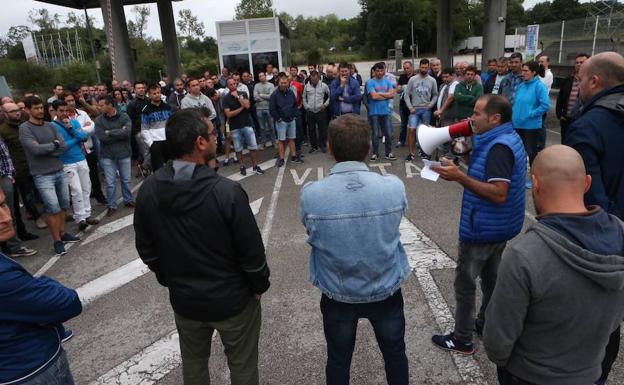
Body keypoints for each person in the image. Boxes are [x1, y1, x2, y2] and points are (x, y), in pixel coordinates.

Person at [134, 109, 270, 385]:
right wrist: (258, 286)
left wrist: (170, 278)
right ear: (199, 143)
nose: (217, 138)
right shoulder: (226, 192)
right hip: (233, 301)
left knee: (194, 367)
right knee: (243, 367)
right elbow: (251, 252)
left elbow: (146, 248)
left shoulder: (149, 189)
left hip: (186, 301)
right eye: (212, 134)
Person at [484, 145, 624, 385]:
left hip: (529, 375)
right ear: (587, 183)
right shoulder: (620, 233)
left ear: (535, 184)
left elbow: (498, 341)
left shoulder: (523, 254)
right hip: (590, 371)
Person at [300, 113, 410, 385]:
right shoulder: (393, 187)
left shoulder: (312, 194)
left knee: (338, 357)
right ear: (369, 147)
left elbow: (310, 231)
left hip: (338, 293)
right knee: (395, 354)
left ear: (329, 148)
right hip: (385, 289)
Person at [430, 95, 527, 354]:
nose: (471, 118)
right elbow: (490, 172)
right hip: (500, 226)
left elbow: (498, 192)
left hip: (482, 227)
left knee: (465, 285)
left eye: (476, 113)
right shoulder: (507, 138)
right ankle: (485, 324)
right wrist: (465, 159)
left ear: (494, 118)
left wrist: (460, 177)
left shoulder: (498, 146)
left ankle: (462, 338)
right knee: (491, 280)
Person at [563, 52, 624, 384]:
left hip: (603, 247)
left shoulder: (588, 125)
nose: (579, 85)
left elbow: (587, 200)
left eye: (581, 80)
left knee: (592, 326)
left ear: (595, 81)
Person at [0, 184, 82, 385]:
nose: (7, 217)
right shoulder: (4, 277)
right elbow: (67, 302)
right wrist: (37, 282)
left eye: (3, 205)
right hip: (31, 369)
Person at [19, 96, 80, 256]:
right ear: (27, 110)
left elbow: (63, 147)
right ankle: (57, 241)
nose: (40, 111)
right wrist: (53, 145)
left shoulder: (50, 126)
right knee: (52, 208)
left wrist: (50, 147)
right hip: (42, 174)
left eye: (41, 107)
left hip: (59, 170)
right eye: (36, 108)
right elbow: (35, 150)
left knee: (63, 205)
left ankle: (62, 233)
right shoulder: (25, 128)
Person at [0, 102, 47, 234]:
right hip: (19, 169)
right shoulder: (3, 130)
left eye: (17, 110)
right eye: (12, 111)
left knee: (44, 190)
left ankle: (53, 212)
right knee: (28, 195)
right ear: (5, 114)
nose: (17, 113)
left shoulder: (26, 124)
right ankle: (37, 217)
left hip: (35, 163)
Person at [52, 100, 99, 231]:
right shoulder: (53, 126)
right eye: (61, 111)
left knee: (86, 187)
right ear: (55, 111)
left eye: (66, 110)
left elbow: (84, 137)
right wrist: (76, 137)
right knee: (76, 190)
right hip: (67, 163)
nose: (64, 113)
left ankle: (87, 214)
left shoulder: (73, 122)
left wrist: (72, 129)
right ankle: (80, 218)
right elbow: (63, 146)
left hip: (81, 158)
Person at [62, 92, 107, 205]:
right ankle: (81, 204)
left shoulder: (82, 113)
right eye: (68, 101)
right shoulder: (60, 118)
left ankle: (99, 195)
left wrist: (75, 130)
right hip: (74, 154)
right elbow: (65, 135)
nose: (71, 103)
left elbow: (92, 128)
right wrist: (82, 130)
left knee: (93, 175)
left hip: (88, 150)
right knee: (78, 182)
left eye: (72, 100)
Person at [512, 61, 550, 188]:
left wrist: (530, 114)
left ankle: (534, 179)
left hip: (531, 126)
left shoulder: (539, 86)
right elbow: (516, 103)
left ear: (534, 72)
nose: (523, 73)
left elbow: (545, 105)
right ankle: (519, 177)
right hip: (517, 124)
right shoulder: (522, 86)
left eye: (526, 71)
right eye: (522, 70)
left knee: (531, 153)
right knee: (519, 152)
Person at [96, 96, 135, 217]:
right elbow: (102, 137)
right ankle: (111, 205)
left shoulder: (124, 116)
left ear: (110, 105)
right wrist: (119, 131)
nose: (99, 107)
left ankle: (128, 200)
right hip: (107, 155)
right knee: (110, 182)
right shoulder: (99, 120)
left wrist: (110, 132)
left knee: (126, 179)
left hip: (124, 152)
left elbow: (127, 133)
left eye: (101, 105)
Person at [0, 136, 37, 258]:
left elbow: (5, 156)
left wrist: (9, 175)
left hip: (3, 178)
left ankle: (14, 247)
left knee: (9, 214)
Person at [222, 78, 265, 176]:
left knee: (253, 147)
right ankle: (242, 166)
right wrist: (241, 108)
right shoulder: (225, 98)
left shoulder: (243, 94)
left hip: (247, 124)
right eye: (230, 84)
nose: (233, 85)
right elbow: (228, 114)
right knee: (238, 149)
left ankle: (255, 166)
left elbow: (248, 106)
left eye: (234, 83)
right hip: (235, 127)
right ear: (228, 86)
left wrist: (237, 97)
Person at [404, 59, 438, 161]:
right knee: (412, 130)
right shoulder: (413, 79)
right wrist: (410, 107)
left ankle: (425, 152)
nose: (423, 69)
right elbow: (406, 95)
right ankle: (411, 153)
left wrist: (430, 105)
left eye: (425, 67)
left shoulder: (432, 80)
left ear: (428, 67)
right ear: (419, 67)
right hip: (415, 109)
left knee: (424, 132)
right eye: (422, 67)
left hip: (426, 109)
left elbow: (435, 94)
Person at [556, 53, 590, 143]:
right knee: (565, 142)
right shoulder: (568, 79)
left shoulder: (591, 81)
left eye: (582, 62)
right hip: (566, 119)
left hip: (582, 120)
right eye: (577, 62)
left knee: (579, 143)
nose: (578, 64)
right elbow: (560, 98)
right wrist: (560, 114)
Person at [367, 62, 397, 162]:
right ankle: (375, 153)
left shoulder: (388, 82)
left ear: (384, 71)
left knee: (388, 133)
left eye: (381, 70)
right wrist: (386, 94)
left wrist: (379, 93)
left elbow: (392, 95)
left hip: (386, 111)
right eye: (377, 71)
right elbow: (373, 96)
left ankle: (389, 152)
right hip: (374, 112)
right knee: (375, 134)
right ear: (374, 72)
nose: (379, 73)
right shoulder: (370, 82)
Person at [270, 73, 301, 167]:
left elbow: (295, 105)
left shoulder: (291, 92)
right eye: (282, 83)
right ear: (278, 83)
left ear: (288, 83)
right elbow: (272, 109)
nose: (284, 84)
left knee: (292, 139)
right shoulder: (274, 94)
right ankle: (282, 159)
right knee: (281, 140)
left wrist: (294, 115)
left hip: (291, 120)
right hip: (281, 121)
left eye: (285, 82)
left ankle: (294, 156)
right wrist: (278, 118)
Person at [141, 84, 173, 172]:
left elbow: (172, 123)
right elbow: (144, 129)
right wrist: (151, 143)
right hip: (155, 143)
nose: (157, 95)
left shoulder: (167, 106)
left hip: (168, 140)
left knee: (172, 166)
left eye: (158, 92)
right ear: (149, 95)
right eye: (154, 93)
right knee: (158, 169)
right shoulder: (146, 110)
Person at [303, 70, 330, 154]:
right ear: (310, 78)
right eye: (312, 79)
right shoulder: (306, 86)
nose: (314, 81)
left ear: (318, 78)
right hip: (310, 112)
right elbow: (304, 97)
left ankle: (322, 145)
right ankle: (314, 146)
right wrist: (306, 106)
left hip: (320, 111)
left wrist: (325, 105)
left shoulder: (324, 86)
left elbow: (330, 96)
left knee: (322, 129)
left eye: (315, 79)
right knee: (311, 130)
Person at [126, 81, 149, 169]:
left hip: (151, 129)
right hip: (139, 132)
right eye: (139, 88)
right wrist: (135, 134)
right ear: (135, 90)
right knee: (145, 153)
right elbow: (130, 121)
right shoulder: (131, 104)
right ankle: (146, 170)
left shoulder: (149, 100)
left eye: (142, 88)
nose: (141, 90)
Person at [253, 72, 276, 149]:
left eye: (262, 75)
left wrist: (261, 95)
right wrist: (265, 96)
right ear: (259, 78)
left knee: (271, 126)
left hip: (269, 108)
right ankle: (263, 143)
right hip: (259, 109)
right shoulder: (256, 85)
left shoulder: (271, 85)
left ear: (265, 76)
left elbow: (271, 96)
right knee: (262, 127)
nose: (261, 77)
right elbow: (255, 97)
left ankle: (274, 142)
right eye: (259, 76)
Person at [397, 61, 414, 148]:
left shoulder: (415, 77)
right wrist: (400, 88)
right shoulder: (402, 77)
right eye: (404, 68)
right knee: (403, 123)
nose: (406, 70)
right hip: (403, 104)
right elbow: (398, 89)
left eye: (407, 68)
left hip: (413, 104)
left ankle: (414, 141)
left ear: (411, 67)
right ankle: (401, 140)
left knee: (414, 124)